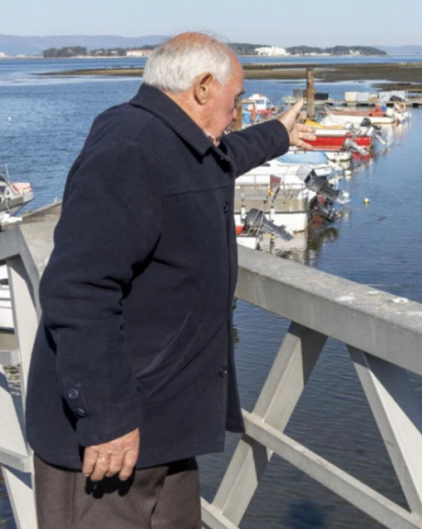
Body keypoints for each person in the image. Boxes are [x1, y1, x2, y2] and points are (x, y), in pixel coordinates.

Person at [24, 32, 315, 528]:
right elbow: (78, 290)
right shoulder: (132, 150)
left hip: (164, 425)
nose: (237, 113)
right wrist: (107, 418)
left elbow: (218, 162)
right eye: (235, 100)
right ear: (202, 88)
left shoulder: (171, 138)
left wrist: (279, 135)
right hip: (112, 440)